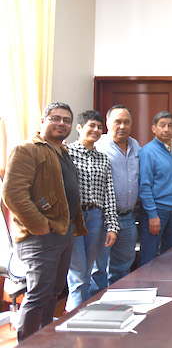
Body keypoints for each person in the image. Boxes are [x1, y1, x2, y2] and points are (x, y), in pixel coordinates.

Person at [2, 102, 86, 341]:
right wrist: (40, 225)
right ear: (43, 121)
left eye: (66, 120)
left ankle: (44, 339)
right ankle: (27, 342)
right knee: (39, 293)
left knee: (54, 292)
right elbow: (13, 194)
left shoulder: (62, 151)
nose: (61, 124)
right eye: (55, 118)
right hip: (39, 237)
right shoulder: (27, 149)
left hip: (63, 232)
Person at [65, 110, 119, 312]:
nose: (96, 130)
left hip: (96, 217)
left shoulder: (103, 158)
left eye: (99, 127)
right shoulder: (65, 153)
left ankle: (83, 313)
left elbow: (109, 193)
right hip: (74, 218)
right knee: (78, 273)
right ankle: (74, 318)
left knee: (88, 271)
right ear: (79, 128)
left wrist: (112, 225)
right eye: (91, 126)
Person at [91, 105, 141, 293]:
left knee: (123, 267)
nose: (122, 126)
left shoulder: (135, 145)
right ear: (108, 123)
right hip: (102, 218)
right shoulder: (98, 145)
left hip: (128, 217)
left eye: (126, 122)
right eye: (117, 122)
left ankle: (118, 303)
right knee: (98, 269)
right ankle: (96, 305)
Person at [138, 111, 172, 266]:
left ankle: (168, 282)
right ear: (154, 128)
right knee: (149, 257)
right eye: (162, 126)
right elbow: (145, 186)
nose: (166, 129)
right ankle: (146, 282)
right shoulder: (147, 152)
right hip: (157, 211)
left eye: (170, 126)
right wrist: (152, 215)